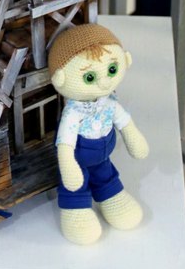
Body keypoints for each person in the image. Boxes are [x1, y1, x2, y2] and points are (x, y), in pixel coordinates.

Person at [48, 23, 149, 245]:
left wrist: (134, 139)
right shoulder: (73, 113)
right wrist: (68, 164)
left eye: (111, 70)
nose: (104, 82)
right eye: (90, 77)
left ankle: (111, 195)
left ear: (125, 59)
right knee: (76, 183)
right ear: (61, 78)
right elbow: (65, 143)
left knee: (105, 173)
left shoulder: (109, 102)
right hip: (79, 157)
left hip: (103, 157)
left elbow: (125, 122)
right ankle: (76, 208)